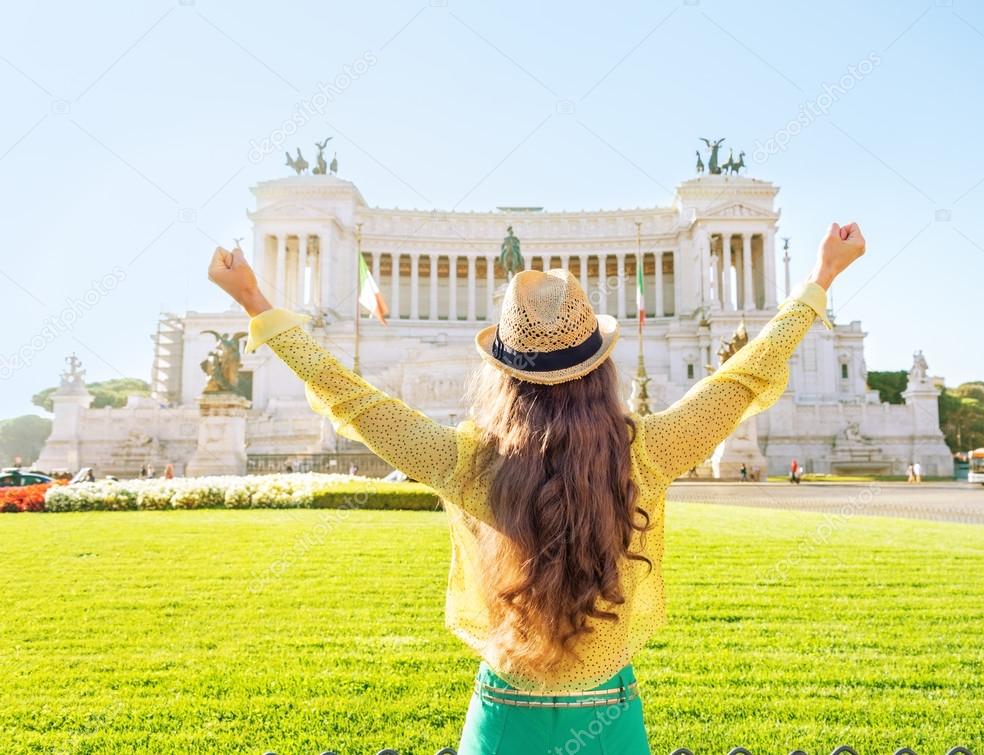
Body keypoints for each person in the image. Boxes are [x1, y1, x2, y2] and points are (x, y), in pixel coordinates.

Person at [208, 221, 865, 753]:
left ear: (505, 372)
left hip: (504, 720)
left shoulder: (467, 462)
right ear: (598, 367)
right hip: (606, 720)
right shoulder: (650, 451)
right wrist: (820, 279)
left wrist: (256, 303)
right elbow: (742, 379)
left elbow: (353, 399)